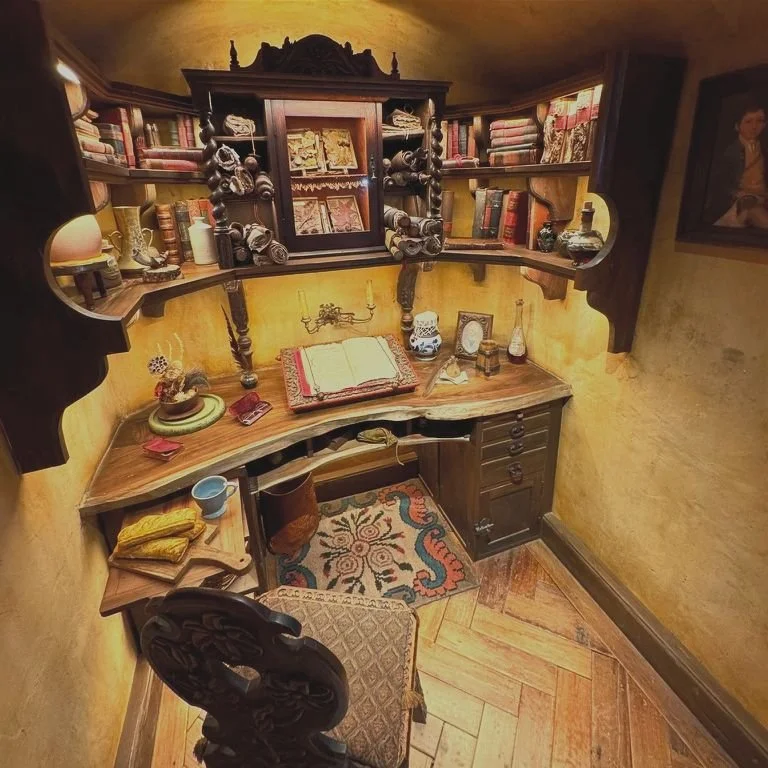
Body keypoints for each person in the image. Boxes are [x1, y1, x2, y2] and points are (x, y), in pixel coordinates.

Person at [707, 99, 768, 228]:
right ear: (737, 125)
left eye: (760, 121)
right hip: (739, 202)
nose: (754, 126)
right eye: (748, 121)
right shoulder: (729, 152)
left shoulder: (764, 148)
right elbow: (719, 183)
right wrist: (737, 193)